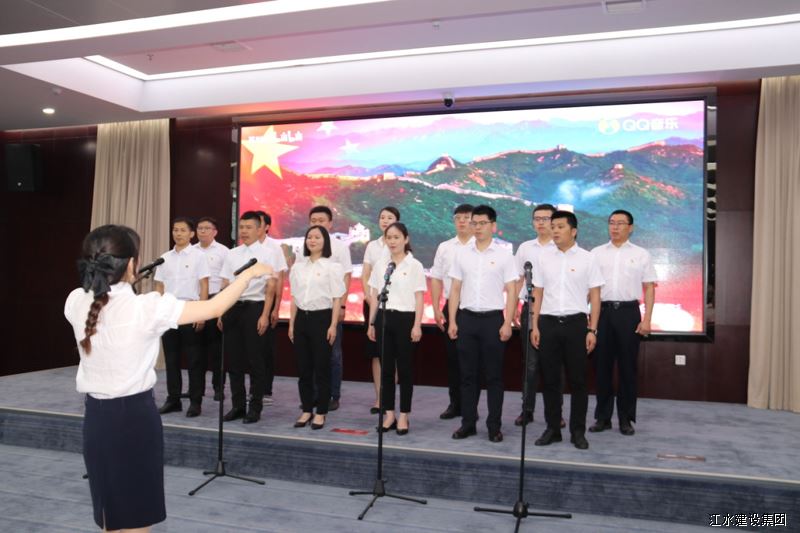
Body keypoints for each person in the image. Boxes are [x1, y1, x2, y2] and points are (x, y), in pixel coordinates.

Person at [64, 224, 272, 532]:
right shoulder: (146, 307)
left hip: (95, 418)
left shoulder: (75, 301)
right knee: (136, 519)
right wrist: (247, 275)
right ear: (132, 264)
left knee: (111, 515)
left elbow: (100, 295)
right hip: (134, 419)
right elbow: (213, 306)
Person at [531, 210, 604, 450]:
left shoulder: (588, 258)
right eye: (553, 226)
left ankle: (577, 431)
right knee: (550, 381)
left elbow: (595, 296)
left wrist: (592, 329)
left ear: (573, 231)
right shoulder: (543, 258)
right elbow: (538, 292)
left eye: (560, 227)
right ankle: (552, 428)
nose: (554, 230)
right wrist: (535, 325)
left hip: (576, 325)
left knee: (578, 381)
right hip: (548, 323)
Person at [448, 205, 518, 443]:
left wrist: (507, 322)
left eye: (482, 223)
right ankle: (468, 423)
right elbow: (455, 289)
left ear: (493, 226)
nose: (477, 227)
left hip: (493, 321)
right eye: (474, 223)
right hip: (467, 319)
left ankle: (494, 426)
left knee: (494, 377)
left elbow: (512, 290)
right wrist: (453, 320)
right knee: (467, 376)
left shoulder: (504, 255)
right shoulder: (462, 254)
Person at [589, 209, 656, 436]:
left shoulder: (641, 254)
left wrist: (647, 319)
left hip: (629, 313)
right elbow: (589, 289)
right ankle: (603, 417)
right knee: (602, 367)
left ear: (631, 227)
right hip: (603, 313)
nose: (615, 227)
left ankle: (626, 418)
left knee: (628, 368)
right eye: (611, 222)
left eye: (620, 223)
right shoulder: (596, 253)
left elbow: (649, 288)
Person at [218, 211, 281, 424]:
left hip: (255, 307)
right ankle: (237, 405)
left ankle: (255, 407)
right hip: (233, 308)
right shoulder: (232, 254)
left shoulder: (268, 253)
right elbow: (225, 284)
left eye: (249, 227)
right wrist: (222, 310)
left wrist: (265, 314)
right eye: (242, 227)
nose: (244, 231)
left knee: (256, 360)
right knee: (233, 361)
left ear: (259, 229)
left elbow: (271, 287)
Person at [367, 222, 426, 435]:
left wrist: (417, 325)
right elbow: (375, 295)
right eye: (389, 237)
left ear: (406, 239)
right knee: (386, 370)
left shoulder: (415, 265)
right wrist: (372, 323)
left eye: (396, 237)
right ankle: (389, 413)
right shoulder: (381, 265)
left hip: (406, 319)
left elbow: (419, 297)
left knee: (405, 369)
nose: (392, 241)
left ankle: (404, 415)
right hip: (384, 318)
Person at [288, 225, 345, 430]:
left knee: (321, 368)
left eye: (317, 237)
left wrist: (333, 325)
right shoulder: (298, 267)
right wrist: (292, 324)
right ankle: (306, 410)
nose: (312, 240)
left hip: (322, 319)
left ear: (325, 241)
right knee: (304, 369)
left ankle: (321, 412)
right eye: (309, 237)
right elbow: (294, 297)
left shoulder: (332, 267)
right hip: (301, 319)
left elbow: (337, 298)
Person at [153, 217, 210, 417]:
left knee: (194, 360)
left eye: (182, 230)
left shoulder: (199, 256)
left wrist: (202, 313)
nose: (178, 233)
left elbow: (204, 285)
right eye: (175, 230)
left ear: (191, 234)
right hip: (169, 311)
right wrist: (159, 311)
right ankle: (173, 399)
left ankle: (195, 401)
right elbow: (159, 286)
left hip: (190, 309)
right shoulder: (164, 258)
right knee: (171, 359)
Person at [512, 204, 557, 426]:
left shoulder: (561, 248)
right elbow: (518, 279)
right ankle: (527, 410)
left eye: (545, 218)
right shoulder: (525, 248)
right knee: (530, 364)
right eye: (536, 218)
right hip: (529, 308)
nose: (540, 222)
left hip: (554, 310)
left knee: (553, 365)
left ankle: (555, 413)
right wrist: (512, 307)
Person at [430, 203, 475, 420]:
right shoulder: (445, 247)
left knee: (473, 361)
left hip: (474, 307)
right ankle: (455, 404)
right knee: (453, 358)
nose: (462, 221)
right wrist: (436, 308)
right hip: (450, 307)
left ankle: (471, 407)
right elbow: (436, 278)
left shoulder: (480, 246)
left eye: (467, 217)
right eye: (458, 218)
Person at [308, 206, 353, 411]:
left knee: (333, 354)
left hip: (331, 308)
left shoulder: (340, 247)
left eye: (321, 220)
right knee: (311, 353)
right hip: (310, 308)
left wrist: (342, 304)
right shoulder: (307, 246)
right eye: (313, 220)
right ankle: (314, 394)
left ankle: (333, 395)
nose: (317, 224)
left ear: (330, 224)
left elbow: (346, 276)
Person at [361, 206, 400, 413]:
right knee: (376, 353)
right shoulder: (372, 246)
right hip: (373, 304)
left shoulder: (401, 244)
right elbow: (365, 274)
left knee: (393, 354)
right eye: (382, 217)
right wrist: (369, 296)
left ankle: (388, 398)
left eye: (390, 217)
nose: (385, 220)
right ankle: (378, 398)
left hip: (396, 307)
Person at [193, 216, 229, 402]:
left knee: (217, 350)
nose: (202, 231)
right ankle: (196, 389)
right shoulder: (191, 251)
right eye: (199, 228)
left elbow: (227, 280)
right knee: (196, 351)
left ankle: (218, 387)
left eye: (207, 228)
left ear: (215, 232)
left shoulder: (224, 252)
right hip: (196, 302)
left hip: (216, 300)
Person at [256, 210, 289, 406]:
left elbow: (279, 279)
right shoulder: (244, 248)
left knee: (266, 349)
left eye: (258, 223)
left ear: (267, 227)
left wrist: (276, 308)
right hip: (248, 303)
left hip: (267, 303)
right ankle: (254, 389)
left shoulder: (274, 248)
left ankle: (266, 389)